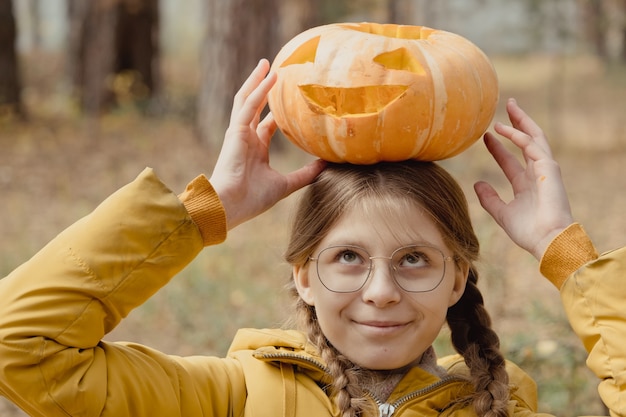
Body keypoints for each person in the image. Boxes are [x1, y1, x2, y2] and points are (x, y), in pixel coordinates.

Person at [0, 58, 622, 417]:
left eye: (414, 259)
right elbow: (20, 346)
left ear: (459, 276)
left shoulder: (501, 404)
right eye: (348, 257)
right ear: (301, 271)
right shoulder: (230, 397)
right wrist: (198, 214)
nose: (381, 292)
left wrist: (568, 258)